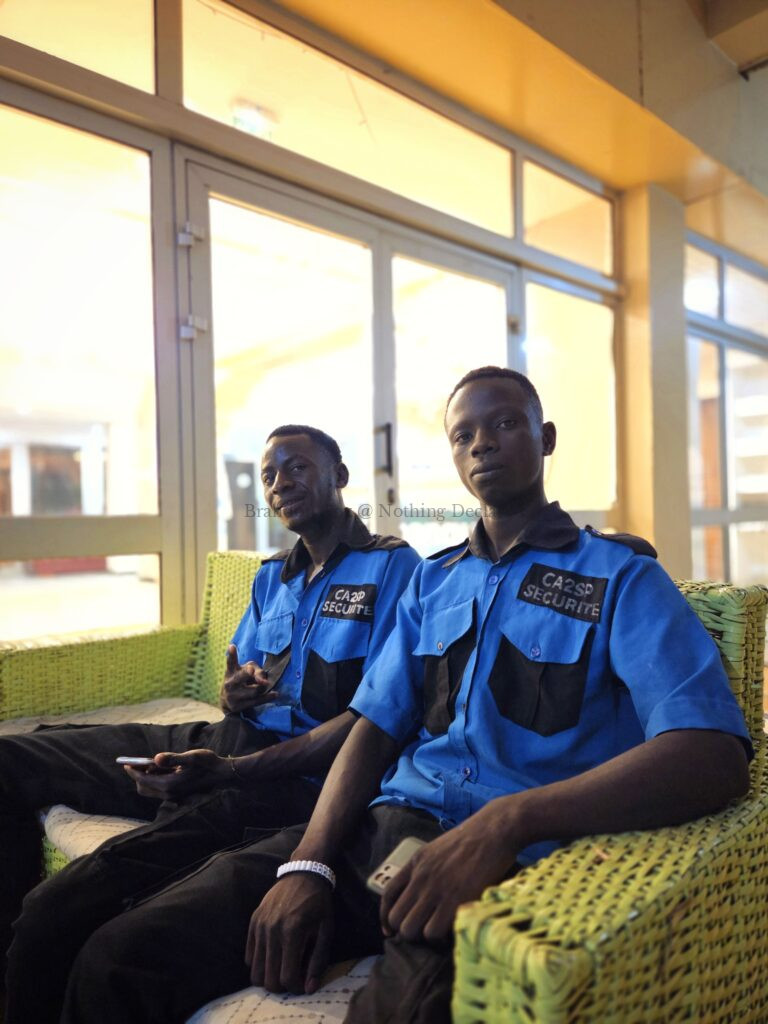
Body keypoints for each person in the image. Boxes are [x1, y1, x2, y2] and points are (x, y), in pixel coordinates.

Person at [54, 369, 750, 1024]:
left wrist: (508, 822)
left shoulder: (620, 579)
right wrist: (311, 861)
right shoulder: (436, 581)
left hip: (508, 863)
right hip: (384, 832)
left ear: (544, 440)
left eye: (505, 423)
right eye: (462, 434)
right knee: (118, 959)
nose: (481, 442)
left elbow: (710, 753)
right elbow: (374, 726)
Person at [1, 424, 420, 1024]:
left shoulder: (394, 570)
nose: (281, 483)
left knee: (55, 913)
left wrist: (228, 770)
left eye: (298, 466)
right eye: (271, 474)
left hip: (282, 782)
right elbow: (237, 690)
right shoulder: (271, 575)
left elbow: (372, 721)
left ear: (340, 476)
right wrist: (232, 695)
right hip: (221, 744)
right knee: (17, 759)